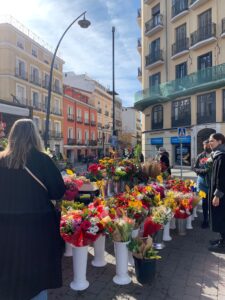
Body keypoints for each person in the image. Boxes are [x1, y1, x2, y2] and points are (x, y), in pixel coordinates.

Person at [0, 119, 65, 300]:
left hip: (5, 232)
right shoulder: (42, 160)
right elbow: (58, 190)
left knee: (9, 275)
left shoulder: (1, 160)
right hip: (37, 230)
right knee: (37, 281)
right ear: (34, 135)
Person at [208, 133, 225, 253]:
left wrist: (217, 195)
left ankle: (223, 245)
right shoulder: (217, 155)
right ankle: (222, 240)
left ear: (220, 142)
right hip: (219, 194)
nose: (210, 143)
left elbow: (222, 178)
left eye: (212, 141)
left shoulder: (222, 156)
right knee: (220, 218)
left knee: (221, 218)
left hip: (221, 196)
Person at [193, 139, 211, 228]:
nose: (207, 147)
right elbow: (194, 168)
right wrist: (203, 171)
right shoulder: (200, 156)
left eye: (208, 145)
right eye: (205, 145)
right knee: (204, 202)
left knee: (213, 202)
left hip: (212, 184)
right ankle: (205, 220)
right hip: (202, 184)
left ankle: (212, 219)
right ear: (203, 146)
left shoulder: (215, 155)